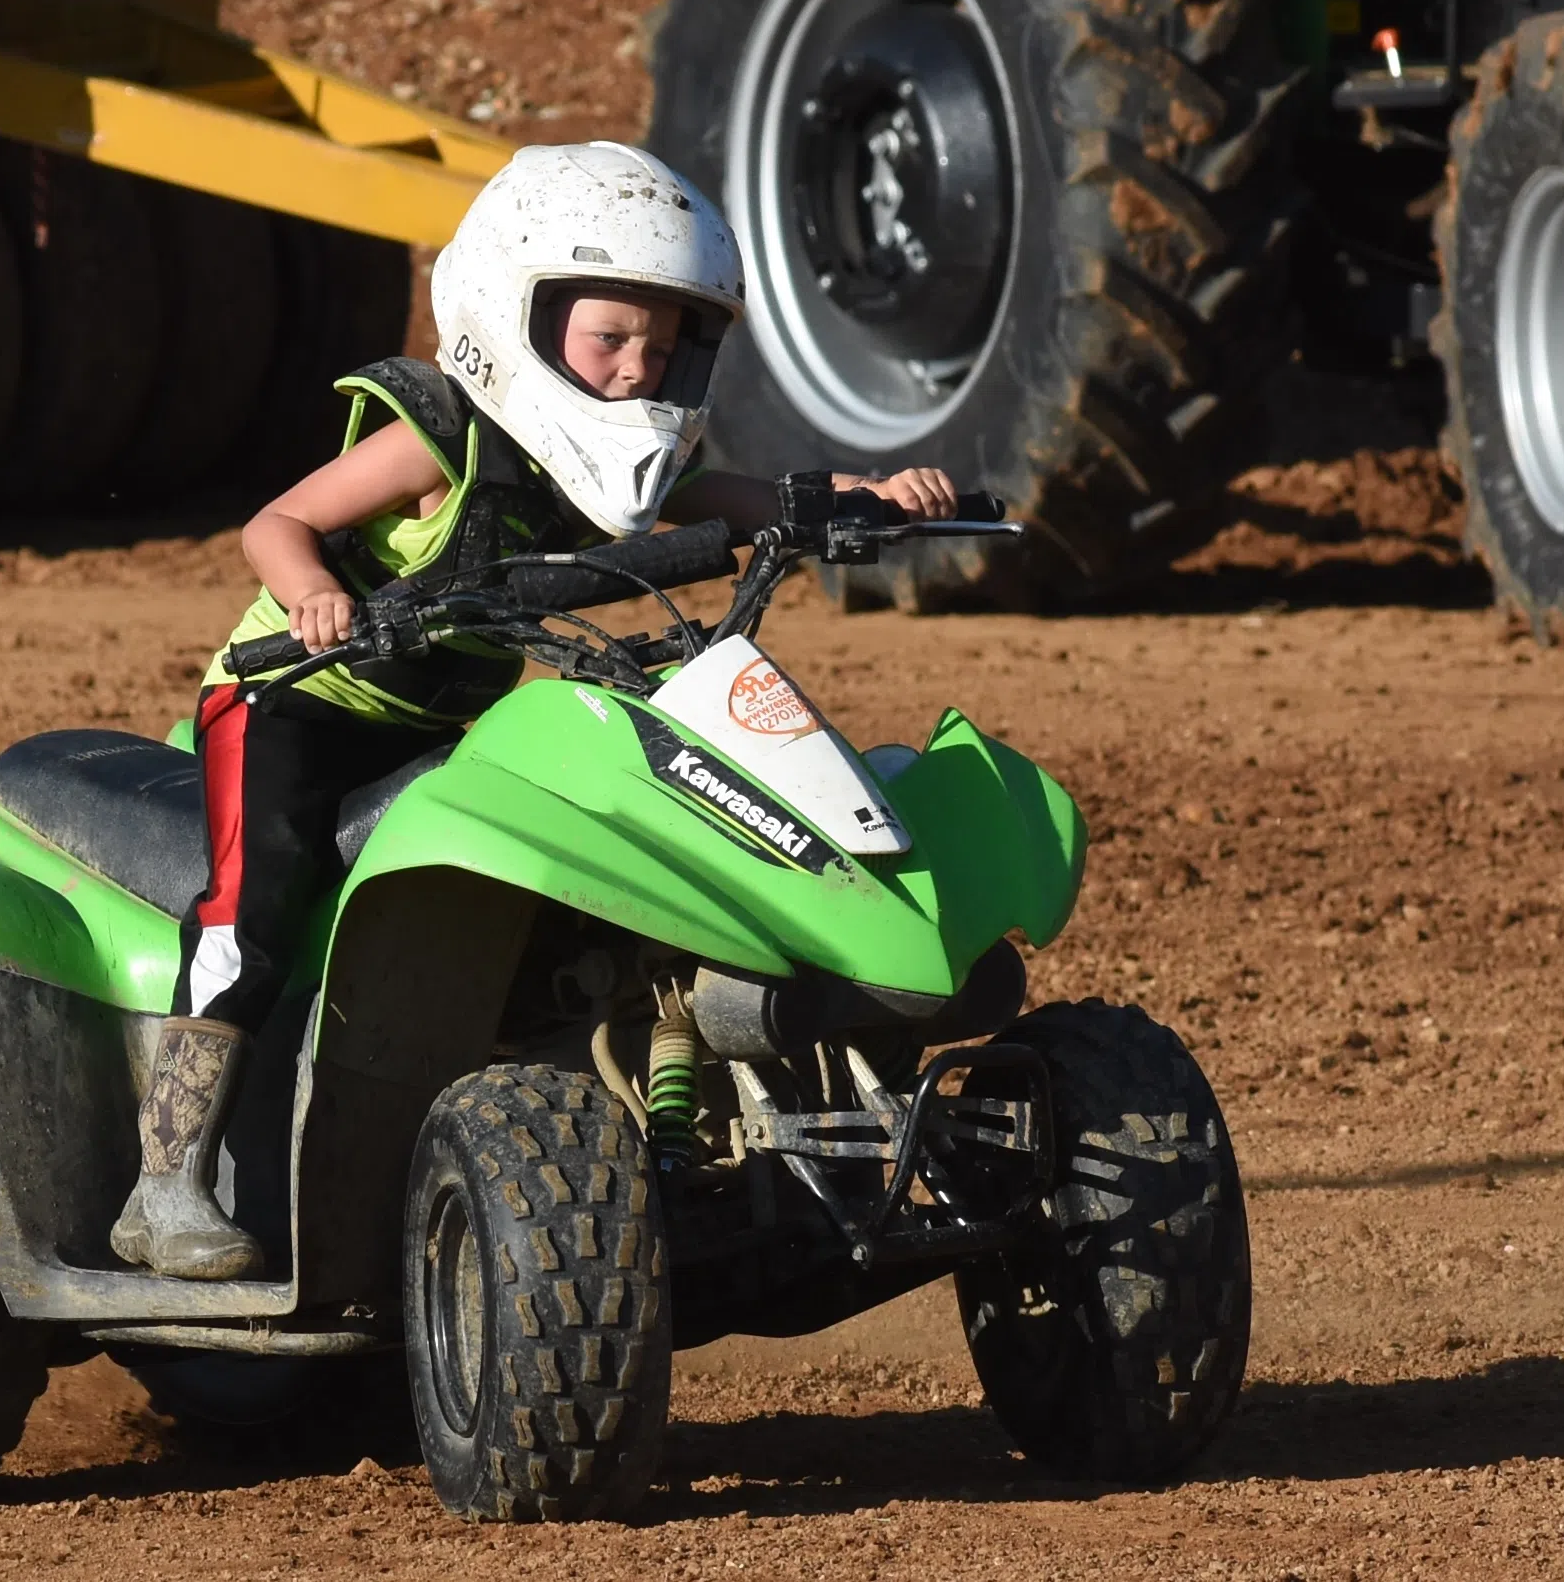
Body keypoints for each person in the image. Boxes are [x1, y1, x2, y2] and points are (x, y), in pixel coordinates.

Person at [109, 141, 958, 1280]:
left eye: (663, 348)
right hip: (297, 700)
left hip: (439, 721)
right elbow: (278, 522)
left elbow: (739, 500)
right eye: (609, 339)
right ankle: (162, 1187)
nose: (633, 371)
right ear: (520, 315)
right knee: (253, 902)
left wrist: (863, 497)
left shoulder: (606, 460)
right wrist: (313, 597)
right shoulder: (437, 435)